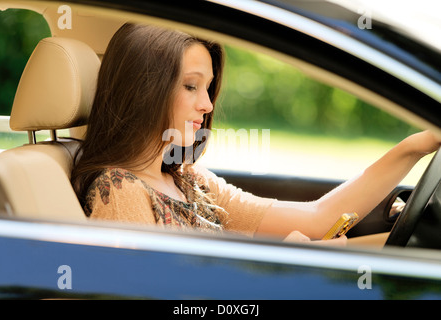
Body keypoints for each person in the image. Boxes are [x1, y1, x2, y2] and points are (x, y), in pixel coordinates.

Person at [70, 23, 440, 245]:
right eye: (190, 86)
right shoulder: (118, 190)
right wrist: (282, 271)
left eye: (208, 88)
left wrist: (416, 146)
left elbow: (316, 218)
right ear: (143, 89)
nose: (207, 105)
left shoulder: (188, 179)